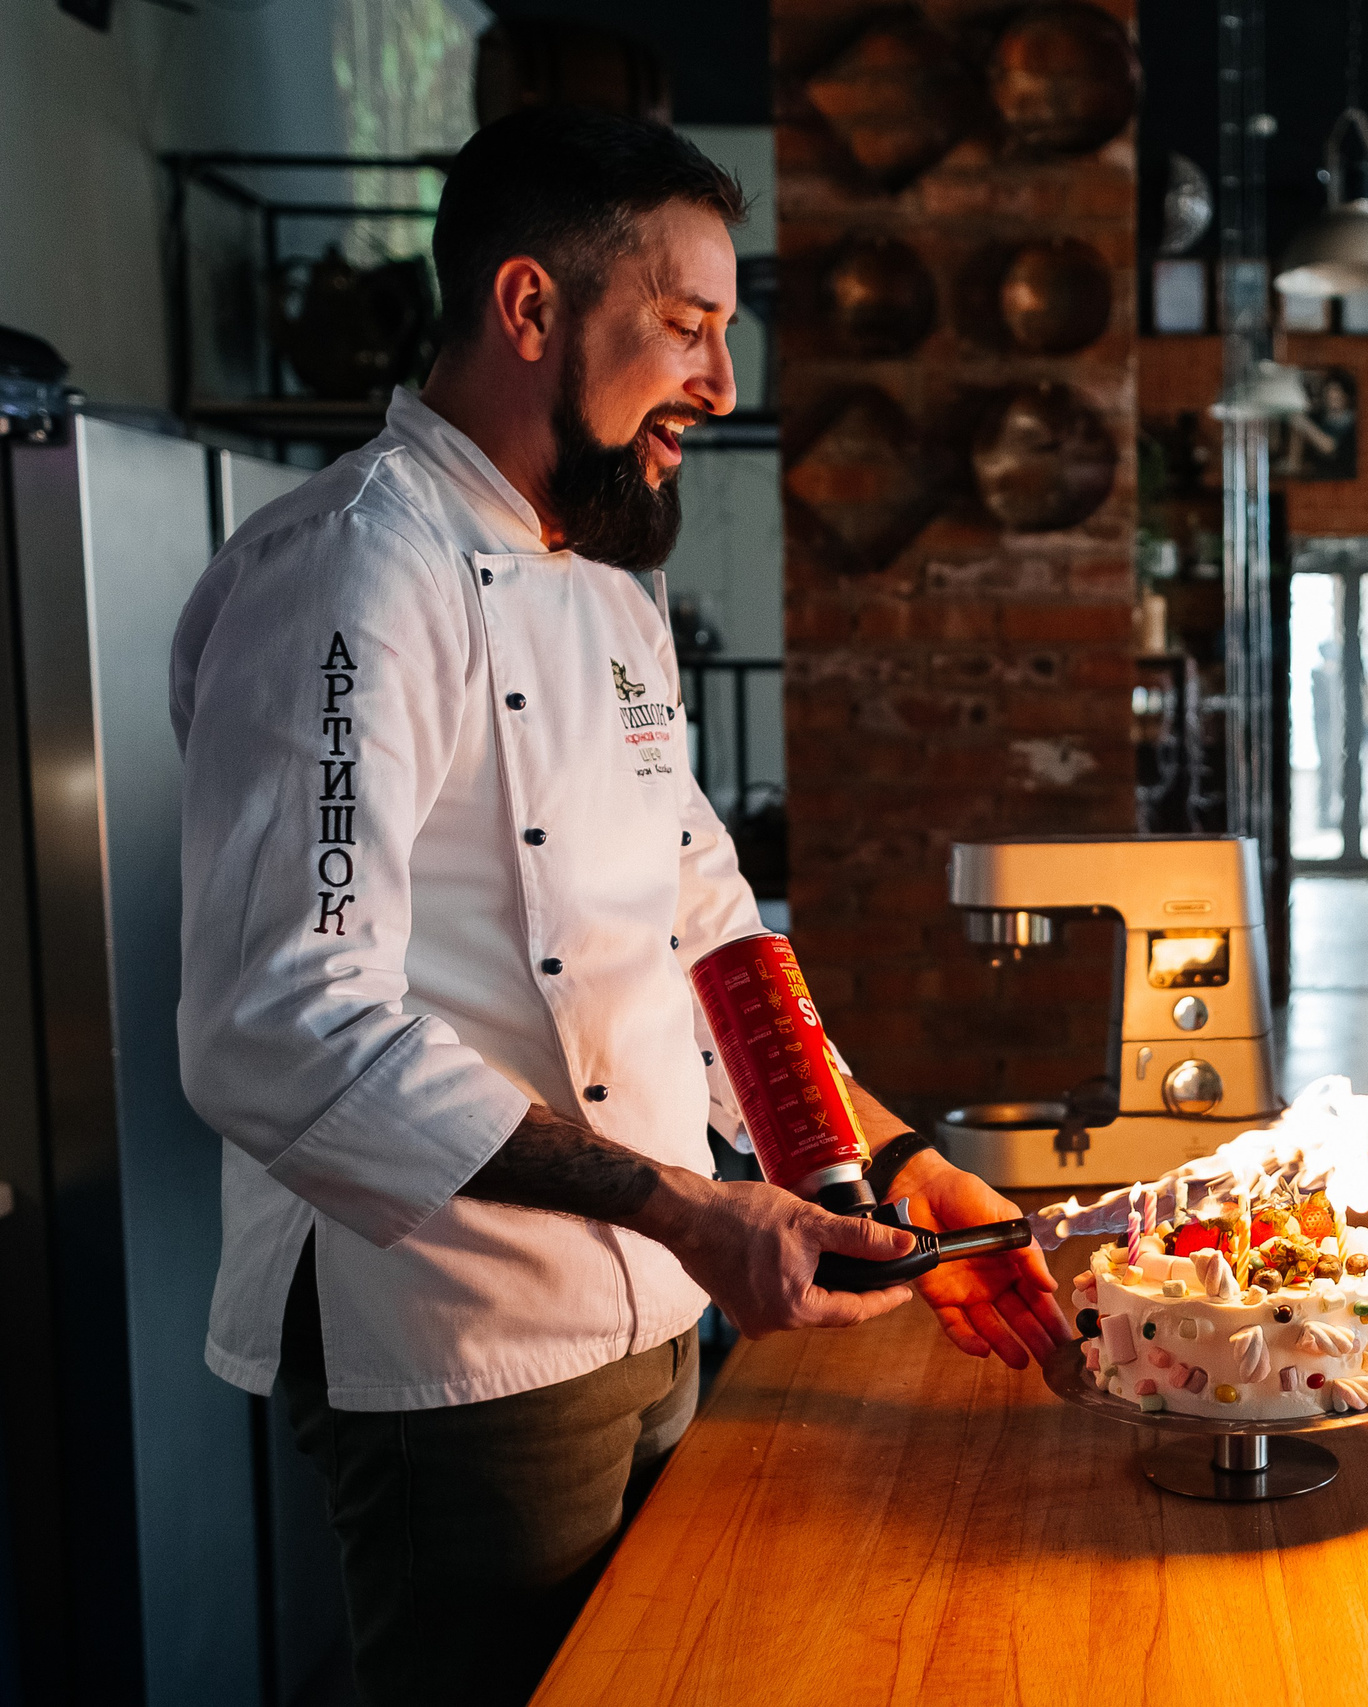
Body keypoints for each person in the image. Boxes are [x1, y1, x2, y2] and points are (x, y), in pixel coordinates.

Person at [172, 109, 1072, 1707]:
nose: (723, 386)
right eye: (687, 328)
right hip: (462, 1331)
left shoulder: (605, 581)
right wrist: (684, 1202)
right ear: (531, 307)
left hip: (662, 1302)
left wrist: (894, 1169)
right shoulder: (347, 573)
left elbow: (706, 922)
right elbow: (283, 1021)